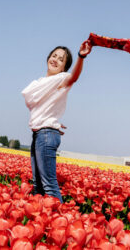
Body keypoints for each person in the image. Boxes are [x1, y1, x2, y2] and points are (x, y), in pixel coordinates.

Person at [21, 40, 92, 203]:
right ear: (48, 58)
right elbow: (41, 110)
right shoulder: (39, 83)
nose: (55, 60)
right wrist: (54, 122)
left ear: (64, 67)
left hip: (46, 135)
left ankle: (57, 223)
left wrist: (81, 57)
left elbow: (74, 77)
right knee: (38, 186)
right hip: (41, 133)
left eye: (61, 59)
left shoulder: (62, 79)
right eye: (54, 56)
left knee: (49, 186)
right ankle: (39, 221)